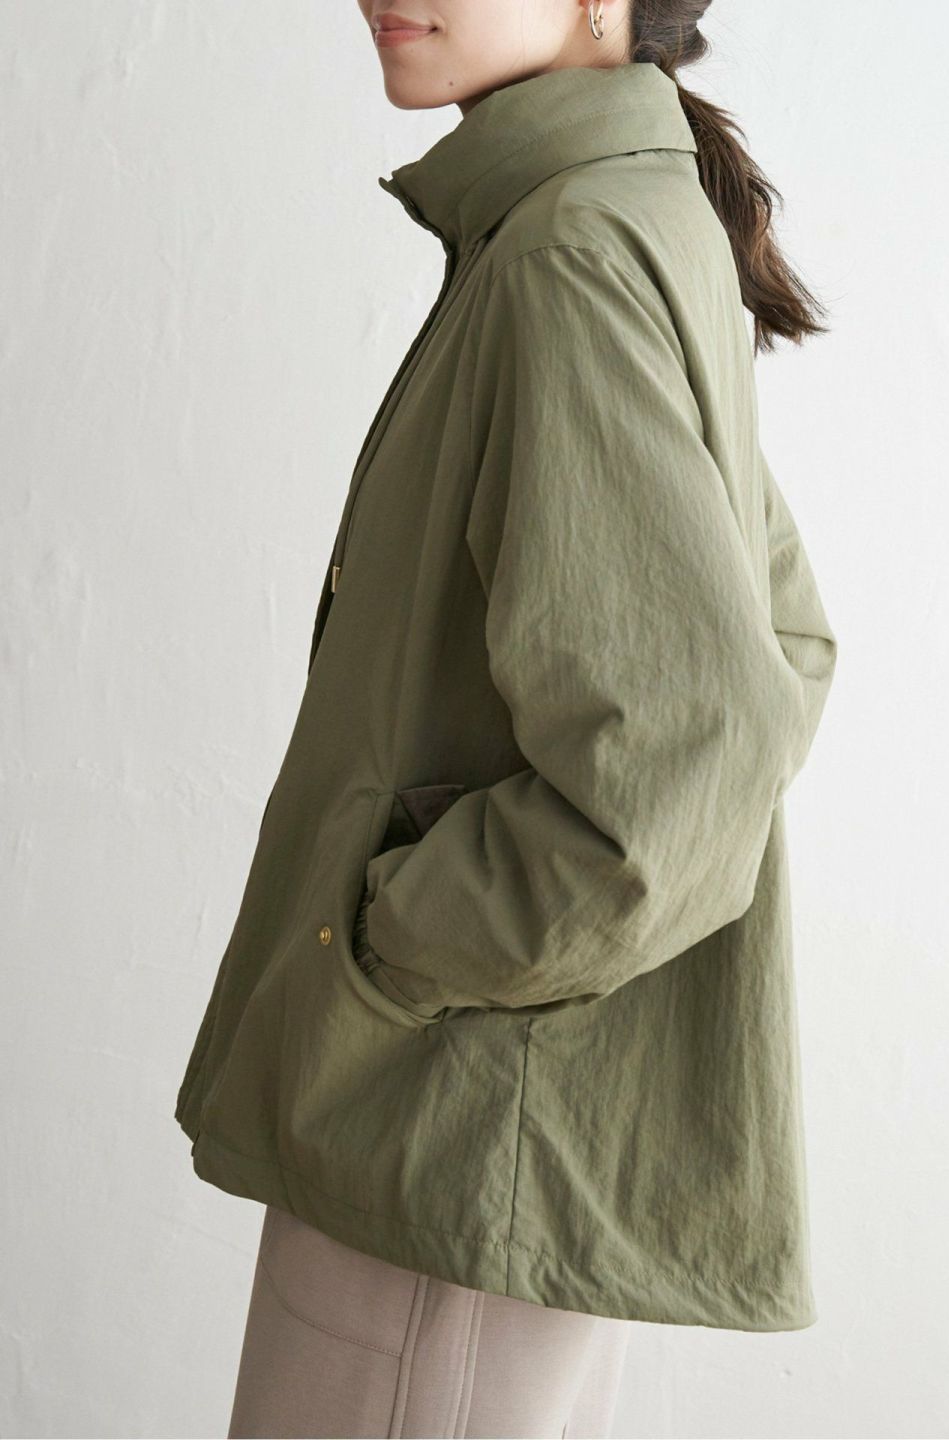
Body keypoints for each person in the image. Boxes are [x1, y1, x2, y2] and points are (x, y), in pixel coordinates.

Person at [176, 2, 839, 1436]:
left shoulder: (566, 254)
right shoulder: (615, 217)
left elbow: (689, 754)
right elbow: (778, 644)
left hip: (445, 1135)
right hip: (490, 1142)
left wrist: (385, 950)